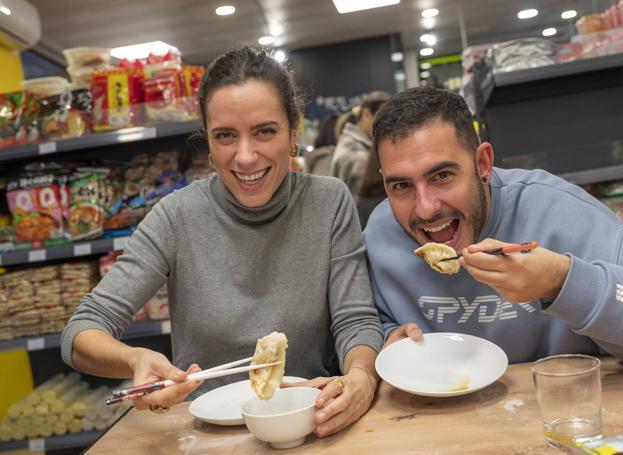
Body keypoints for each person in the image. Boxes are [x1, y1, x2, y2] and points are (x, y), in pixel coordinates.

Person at [61, 47, 384, 437]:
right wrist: (135, 359)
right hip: (204, 434)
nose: (245, 157)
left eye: (265, 131)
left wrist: (360, 377)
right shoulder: (176, 216)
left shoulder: (329, 201)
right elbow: (82, 331)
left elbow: (356, 319)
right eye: (226, 136)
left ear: (294, 131)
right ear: (208, 142)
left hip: (309, 420)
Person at [363, 87, 623, 369]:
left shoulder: (559, 212)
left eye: (442, 175)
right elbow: (369, 322)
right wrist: (388, 338)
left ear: (483, 163)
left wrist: (561, 280)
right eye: (401, 185)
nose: (426, 208)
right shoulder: (379, 235)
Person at [330, 91, 390, 197]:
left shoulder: (351, 144)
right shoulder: (358, 156)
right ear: (366, 114)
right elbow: (360, 207)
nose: (388, 126)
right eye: (383, 119)